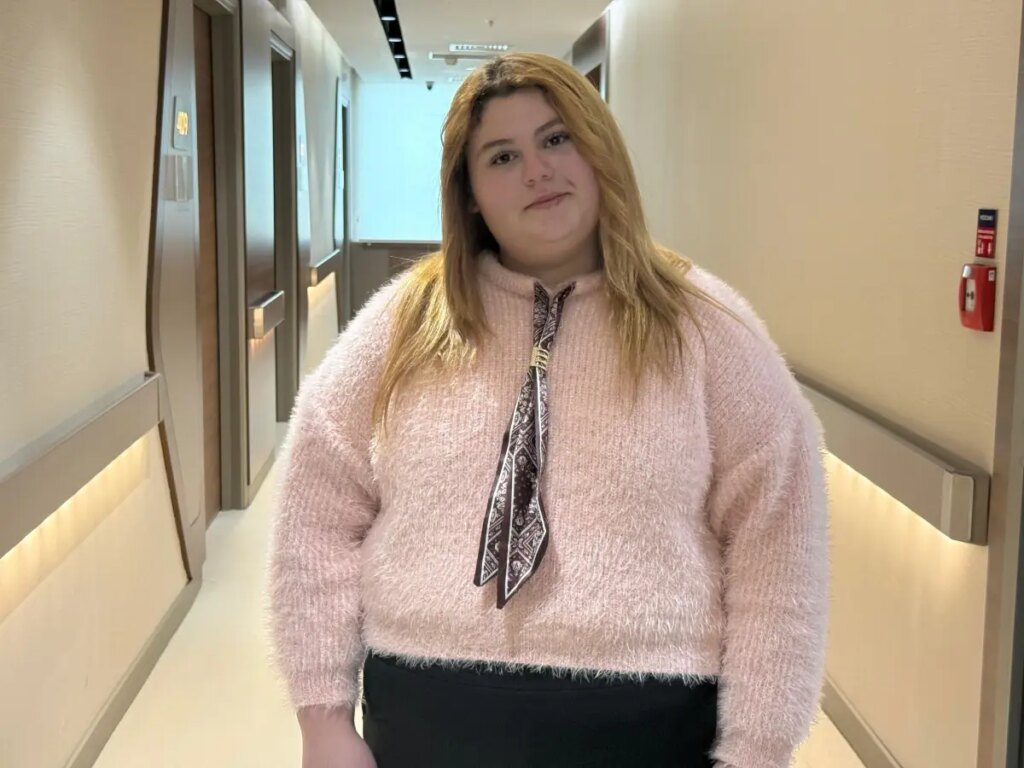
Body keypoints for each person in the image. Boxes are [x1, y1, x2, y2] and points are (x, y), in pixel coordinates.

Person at [267, 52, 829, 768]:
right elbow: (316, 517)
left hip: (650, 723)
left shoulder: (705, 328)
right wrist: (322, 716)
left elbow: (778, 547)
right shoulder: (403, 325)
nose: (537, 171)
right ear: (469, 193)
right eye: (502, 157)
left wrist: (759, 748)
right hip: (427, 714)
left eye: (557, 139)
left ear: (598, 152)